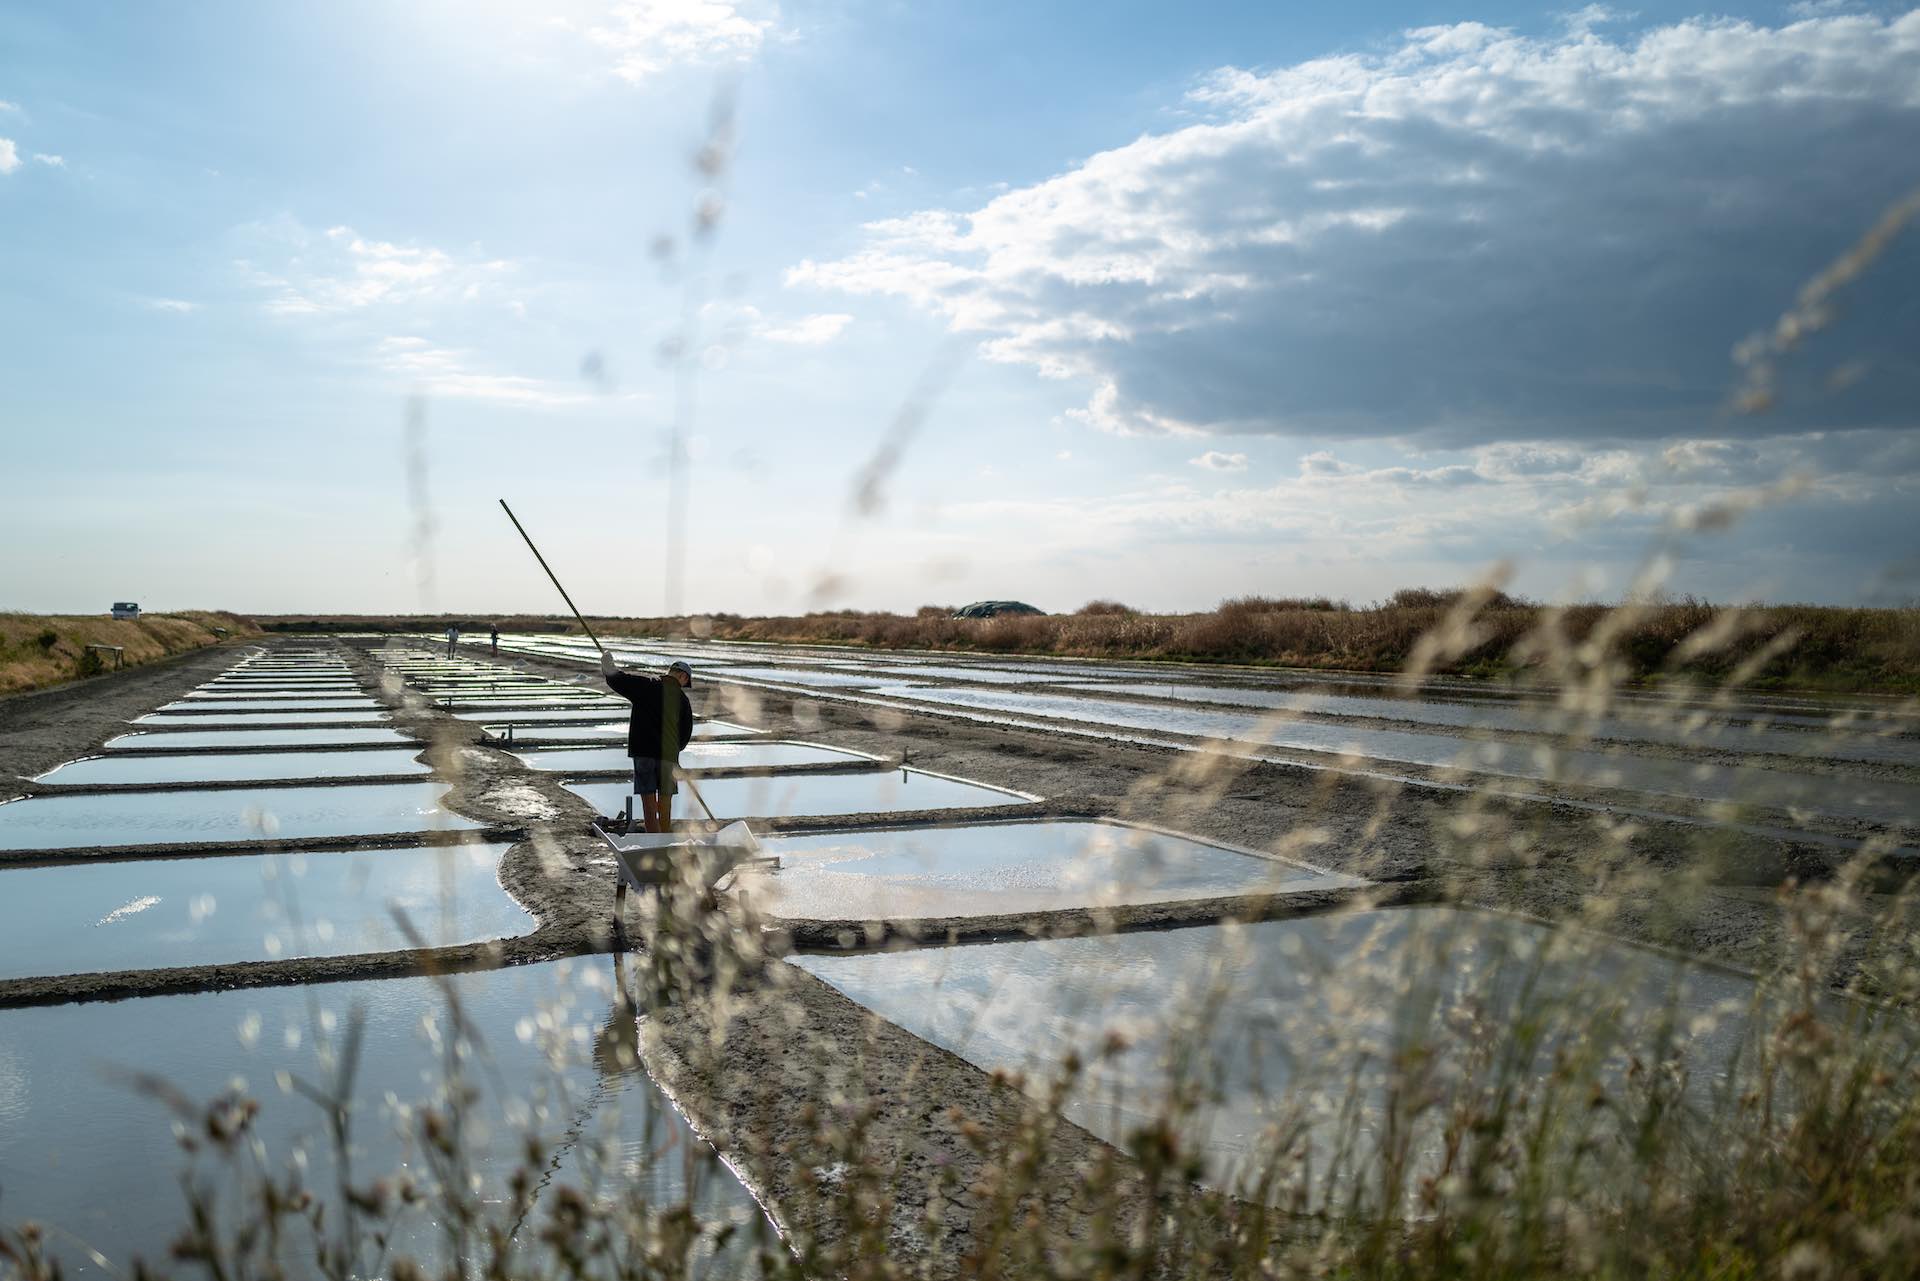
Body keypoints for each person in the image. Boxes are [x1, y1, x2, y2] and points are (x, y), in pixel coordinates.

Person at [600, 651, 694, 833]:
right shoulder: (682, 700)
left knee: (649, 806)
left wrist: (607, 665)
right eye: (685, 682)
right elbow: (685, 733)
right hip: (668, 758)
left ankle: (655, 844)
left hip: (643, 755)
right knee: (665, 805)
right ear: (682, 676)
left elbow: (619, 680)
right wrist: (675, 750)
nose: (684, 686)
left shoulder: (646, 686)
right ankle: (665, 843)